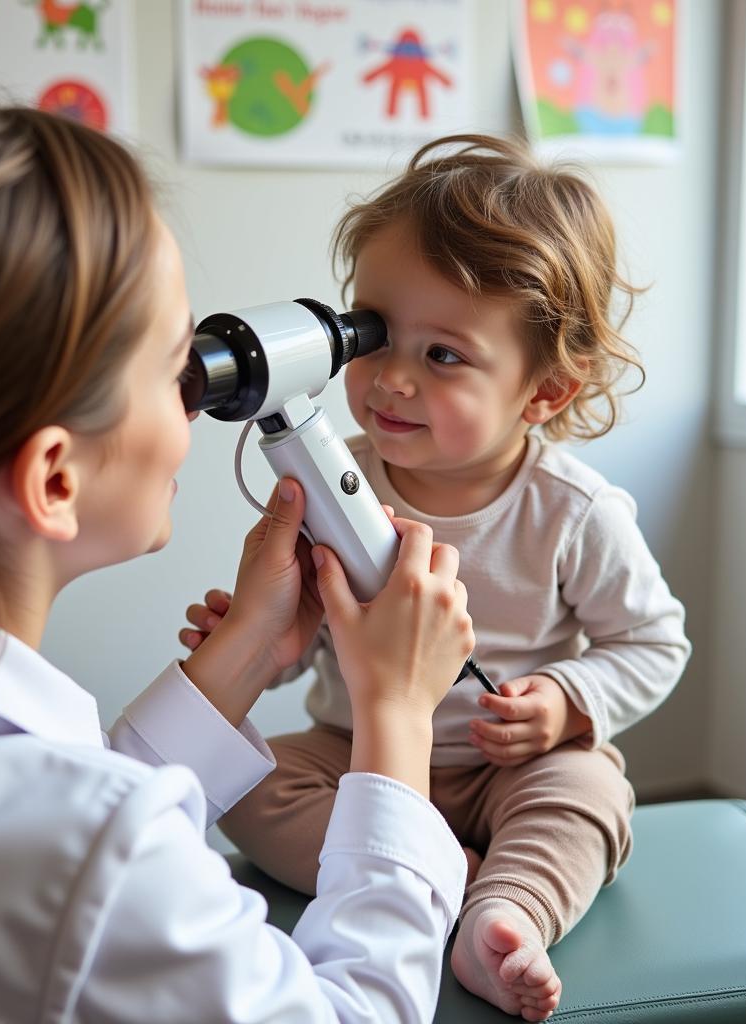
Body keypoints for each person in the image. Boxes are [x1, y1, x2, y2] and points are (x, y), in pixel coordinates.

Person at [0, 94, 480, 1023]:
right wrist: (397, 717)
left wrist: (245, 652)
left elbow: (61, 843)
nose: (195, 408)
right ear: (54, 477)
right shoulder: (82, 845)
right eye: (175, 372)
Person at [182, 134, 693, 1023]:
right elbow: (308, 633)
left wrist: (567, 702)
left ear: (544, 394)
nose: (390, 379)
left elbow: (652, 641)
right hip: (359, 760)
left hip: (510, 765)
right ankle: (431, 873)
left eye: (443, 356)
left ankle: (502, 912)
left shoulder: (572, 512)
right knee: (245, 782)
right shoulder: (328, 481)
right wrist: (263, 644)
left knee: (590, 790)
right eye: (373, 335)